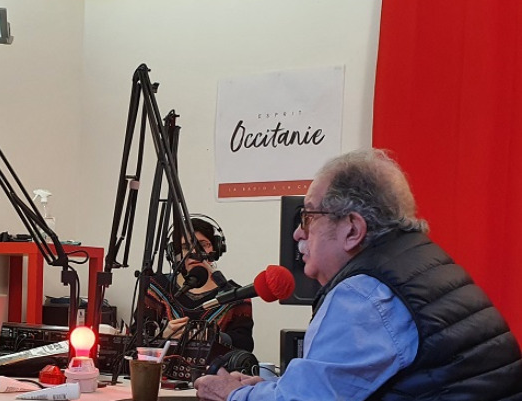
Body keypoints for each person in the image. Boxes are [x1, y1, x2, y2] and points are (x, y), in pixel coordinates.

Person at [194, 149, 522, 400]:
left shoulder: (366, 294)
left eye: (308, 217)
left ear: (352, 229)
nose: (297, 234)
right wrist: (271, 388)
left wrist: (233, 393)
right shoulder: (413, 265)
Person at [141, 217, 255, 352]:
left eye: (202, 245)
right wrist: (161, 335)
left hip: (215, 365)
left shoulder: (237, 296)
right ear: (175, 253)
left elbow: (245, 345)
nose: (194, 252)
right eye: (185, 247)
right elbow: (136, 336)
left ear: (216, 249)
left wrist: (212, 336)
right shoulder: (157, 289)